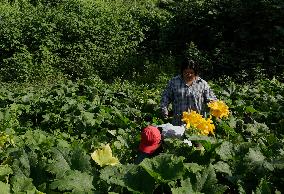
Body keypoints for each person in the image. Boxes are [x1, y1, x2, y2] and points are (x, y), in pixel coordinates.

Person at [160, 58, 217, 126]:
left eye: (191, 73)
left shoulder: (202, 84)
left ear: (195, 72)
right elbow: (166, 97)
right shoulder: (174, 82)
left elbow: (211, 99)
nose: (189, 75)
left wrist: (215, 107)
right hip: (178, 122)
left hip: (198, 123)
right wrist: (164, 108)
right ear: (182, 71)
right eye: (186, 72)